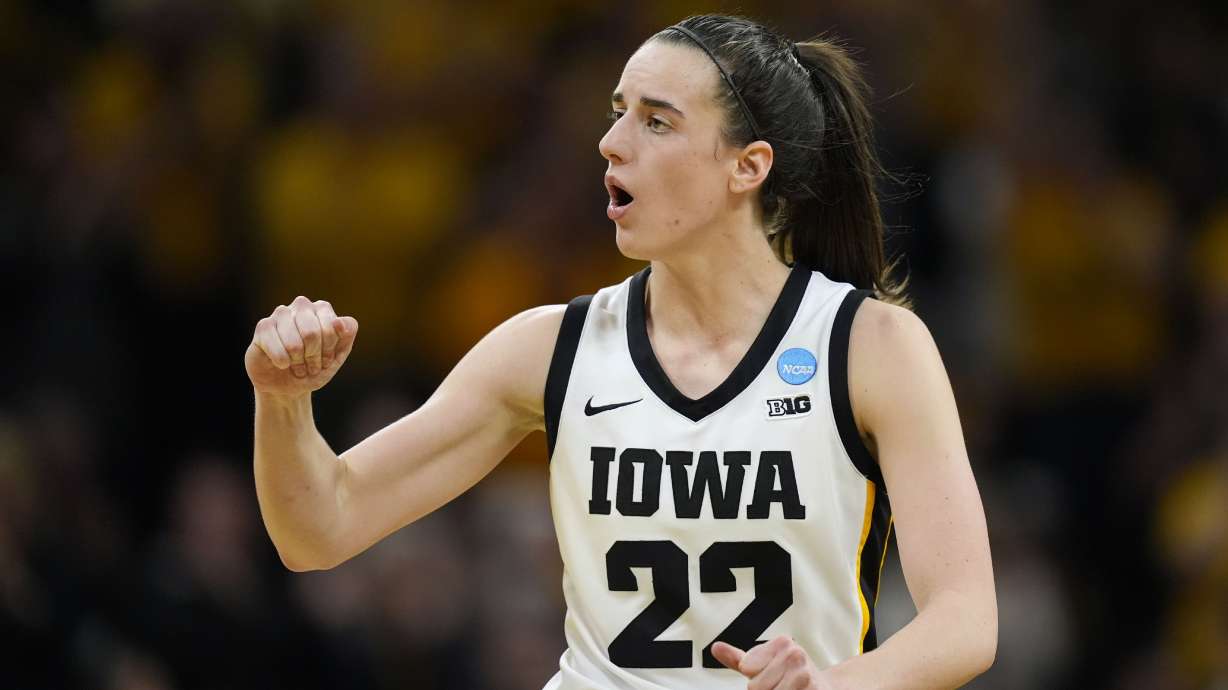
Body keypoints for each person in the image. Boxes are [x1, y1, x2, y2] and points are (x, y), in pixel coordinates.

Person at [245, 14, 997, 690]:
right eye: (617, 114)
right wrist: (282, 401)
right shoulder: (549, 348)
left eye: (657, 121)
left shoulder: (870, 345)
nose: (610, 141)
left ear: (748, 166)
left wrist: (833, 688)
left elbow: (965, 619)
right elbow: (319, 529)